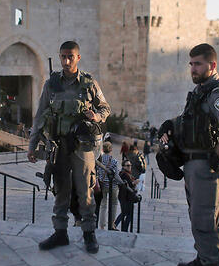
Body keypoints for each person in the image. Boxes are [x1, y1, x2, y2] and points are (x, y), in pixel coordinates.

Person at [159, 43, 219, 266]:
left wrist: (216, 160)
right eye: (191, 63)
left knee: (205, 220)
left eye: (198, 64)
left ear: (212, 65)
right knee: (197, 217)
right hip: (193, 164)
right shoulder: (201, 92)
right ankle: (203, 260)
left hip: (204, 165)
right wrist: (170, 124)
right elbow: (191, 120)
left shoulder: (218, 95)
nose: (193, 68)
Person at [27, 41, 111, 254]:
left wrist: (96, 115)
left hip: (83, 147)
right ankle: (60, 232)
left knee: (86, 191)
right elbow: (39, 116)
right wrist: (33, 145)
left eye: (70, 57)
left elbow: (105, 107)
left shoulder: (89, 83)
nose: (65, 61)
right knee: (61, 191)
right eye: (62, 57)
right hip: (59, 145)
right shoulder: (51, 84)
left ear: (78, 58)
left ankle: (89, 233)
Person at [96, 141, 120, 230]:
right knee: (114, 204)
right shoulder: (114, 161)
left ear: (102, 149)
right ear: (111, 149)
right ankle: (112, 223)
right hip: (112, 186)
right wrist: (121, 183)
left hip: (102, 185)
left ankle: (102, 225)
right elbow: (116, 175)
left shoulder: (100, 160)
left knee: (103, 205)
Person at [116, 160, 139, 232]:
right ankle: (120, 227)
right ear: (123, 166)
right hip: (125, 197)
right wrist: (134, 182)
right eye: (128, 165)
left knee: (126, 213)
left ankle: (120, 226)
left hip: (126, 197)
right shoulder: (124, 174)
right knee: (127, 213)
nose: (130, 167)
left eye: (130, 165)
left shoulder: (126, 173)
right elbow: (128, 185)